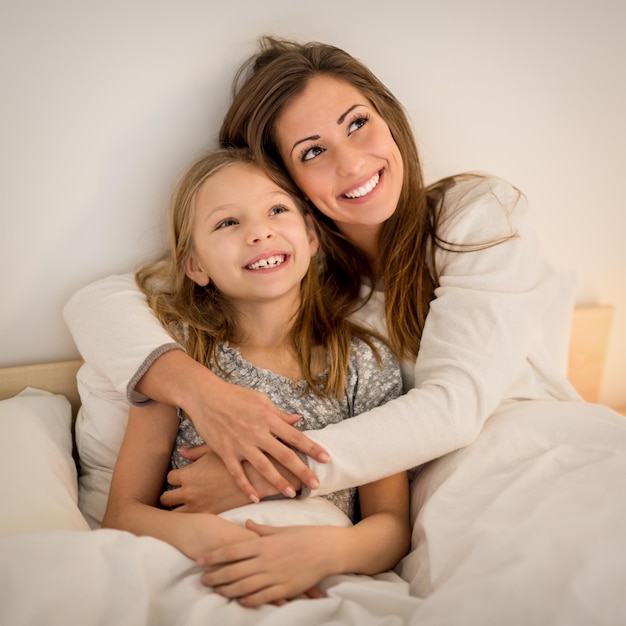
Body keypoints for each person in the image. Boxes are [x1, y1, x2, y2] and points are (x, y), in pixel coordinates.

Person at [64, 35, 622, 513]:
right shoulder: (292, 272)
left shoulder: (474, 215)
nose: (352, 163)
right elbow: (99, 303)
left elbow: (455, 406)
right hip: (437, 500)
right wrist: (204, 395)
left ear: (389, 116)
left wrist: (273, 471)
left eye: (358, 123)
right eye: (312, 152)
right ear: (287, 184)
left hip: (540, 446)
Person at [101, 146, 410, 607]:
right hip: (200, 572)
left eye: (277, 210)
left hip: (319, 576)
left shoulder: (365, 364)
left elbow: (390, 527)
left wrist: (325, 552)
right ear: (195, 265)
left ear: (309, 234)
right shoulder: (179, 359)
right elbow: (122, 515)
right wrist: (205, 537)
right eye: (228, 223)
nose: (259, 232)